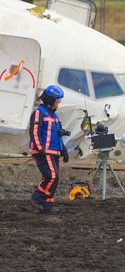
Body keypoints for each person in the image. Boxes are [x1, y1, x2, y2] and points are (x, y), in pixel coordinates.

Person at [29, 85, 70, 213]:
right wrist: (39, 148)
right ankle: (37, 198)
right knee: (52, 176)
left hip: (54, 151)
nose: (59, 103)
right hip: (44, 151)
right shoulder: (39, 112)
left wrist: (63, 149)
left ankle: (47, 205)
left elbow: (57, 134)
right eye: (58, 100)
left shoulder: (55, 116)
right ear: (51, 100)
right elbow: (34, 131)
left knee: (53, 178)